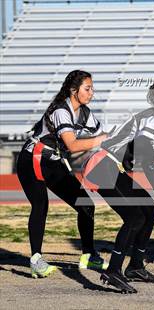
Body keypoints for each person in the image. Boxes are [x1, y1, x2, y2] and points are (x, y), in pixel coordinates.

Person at [83, 76, 154, 293]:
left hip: (114, 168)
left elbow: (147, 161)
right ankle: (113, 271)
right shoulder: (153, 119)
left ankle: (135, 266)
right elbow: (145, 154)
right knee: (135, 217)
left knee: (149, 211)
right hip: (103, 167)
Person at [16, 70, 108, 279]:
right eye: (87, 88)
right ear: (73, 90)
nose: (92, 92)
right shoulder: (61, 110)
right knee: (41, 205)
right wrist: (101, 140)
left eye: (92, 88)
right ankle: (36, 260)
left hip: (53, 161)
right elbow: (73, 145)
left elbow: (105, 132)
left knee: (86, 204)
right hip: (33, 160)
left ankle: (89, 255)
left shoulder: (84, 112)